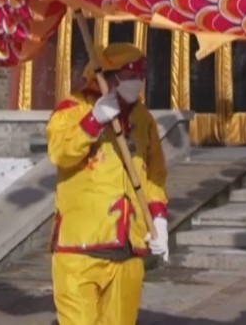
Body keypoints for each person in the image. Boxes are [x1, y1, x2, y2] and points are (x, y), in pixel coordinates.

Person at [46, 41, 170, 325]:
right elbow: (60, 153)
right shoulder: (72, 109)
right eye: (130, 77)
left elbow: (154, 174)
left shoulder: (143, 119)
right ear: (108, 76)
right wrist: (94, 119)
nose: (137, 83)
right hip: (80, 247)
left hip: (129, 248)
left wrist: (159, 219)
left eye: (141, 77)